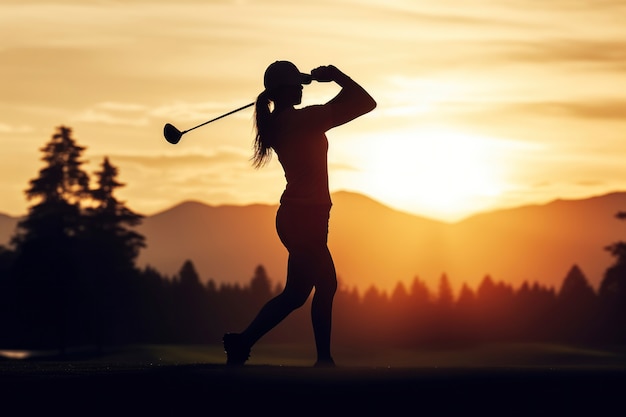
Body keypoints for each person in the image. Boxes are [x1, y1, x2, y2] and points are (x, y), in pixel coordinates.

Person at [223, 61, 376, 367]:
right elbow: (365, 103)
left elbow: (348, 105)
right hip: (304, 219)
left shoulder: (285, 121)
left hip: (300, 217)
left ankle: (242, 342)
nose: (302, 89)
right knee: (327, 285)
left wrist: (331, 83)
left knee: (295, 294)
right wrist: (336, 76)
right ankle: (324, 360)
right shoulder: (304, 120)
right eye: (297, 85)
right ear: (284, 90)